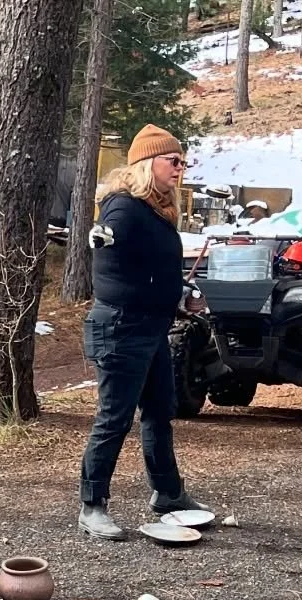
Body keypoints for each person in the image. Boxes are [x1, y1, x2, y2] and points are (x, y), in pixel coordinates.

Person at [77, 125, 205, 540]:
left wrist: (180, 295)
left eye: (183, 161)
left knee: (159, 412)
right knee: (114, 419)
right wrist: (103, 236)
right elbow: (106, 233)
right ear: (149, 163)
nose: (180, 168)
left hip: (151, 328)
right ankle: (92, 505)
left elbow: (151, 269)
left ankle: (167, 494)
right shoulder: (124, 207)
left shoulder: (157, 211)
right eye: (173, 160)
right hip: (120, 328)